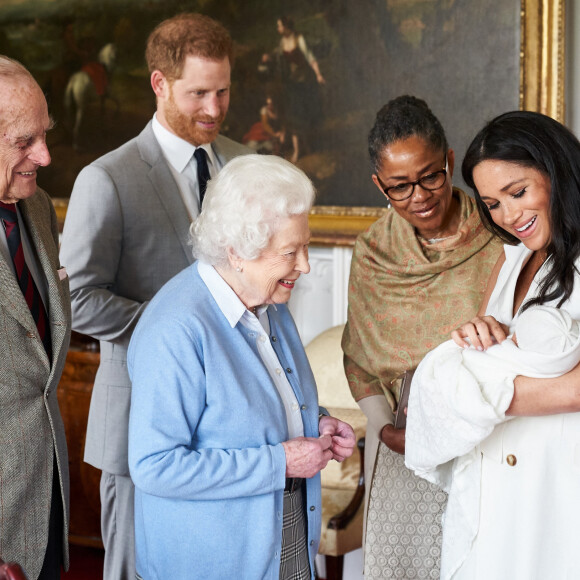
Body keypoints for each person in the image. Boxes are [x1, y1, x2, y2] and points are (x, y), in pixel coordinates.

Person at [59, 13, 250, 580]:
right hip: (140, 421)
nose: (213, 109)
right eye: (197, 93)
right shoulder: (107, 178)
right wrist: (180, 327)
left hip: (230, 429)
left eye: (223, 91)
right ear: (159, 84)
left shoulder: (245, 165)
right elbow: (79, 299)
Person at [127, 154, 356, 579]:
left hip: (283, 540)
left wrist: (316, 424)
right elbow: (154, 466)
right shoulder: (176, 329)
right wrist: (280, 463)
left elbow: (254, 413)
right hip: (211, 561)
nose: (305, 265)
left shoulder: (269, 301)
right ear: (237, 251)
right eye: (291, 251)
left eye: (305, 246)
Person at [411, 110, 580, 580]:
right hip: (494, 474)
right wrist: (476, 335)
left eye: (518, 192)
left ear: (558, 171)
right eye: (492, 204)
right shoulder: (513, 258)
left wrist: (478, 394)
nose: (509, 216)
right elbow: (477, 350)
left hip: (556, 482)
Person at [341, 95, 503, 579]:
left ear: (450, 161)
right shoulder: (372, 254)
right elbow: (359, 358)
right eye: (400, 186)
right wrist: (385, 428)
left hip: (489, 432)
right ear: (379, 185)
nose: (421, 196)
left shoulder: (501, 235)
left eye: (431, 175)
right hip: (402, 439)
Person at [405, 305, 580, 580]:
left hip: (548, 476)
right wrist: (473, 333)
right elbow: (481, 342)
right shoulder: (510, 261)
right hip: (488, 470)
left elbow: (575, 390)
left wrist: (459, 398)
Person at [0, 56, 71, 579]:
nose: (43, 155)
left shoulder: (39, 208)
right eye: (25, 141)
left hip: (44, 493)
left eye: (44, 135)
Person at [262, 16, 325, 164]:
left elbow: (310, 57)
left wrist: (318, 74)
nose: (278, 29)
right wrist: (267, 57)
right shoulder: (282, 42)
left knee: (304, 115)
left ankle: (308, 146)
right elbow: (277, 56)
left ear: (286, 26)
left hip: (304, 83)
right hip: (291, 85)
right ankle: (298, 150)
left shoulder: (299, 39)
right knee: (293, 116)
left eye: (279, 26)